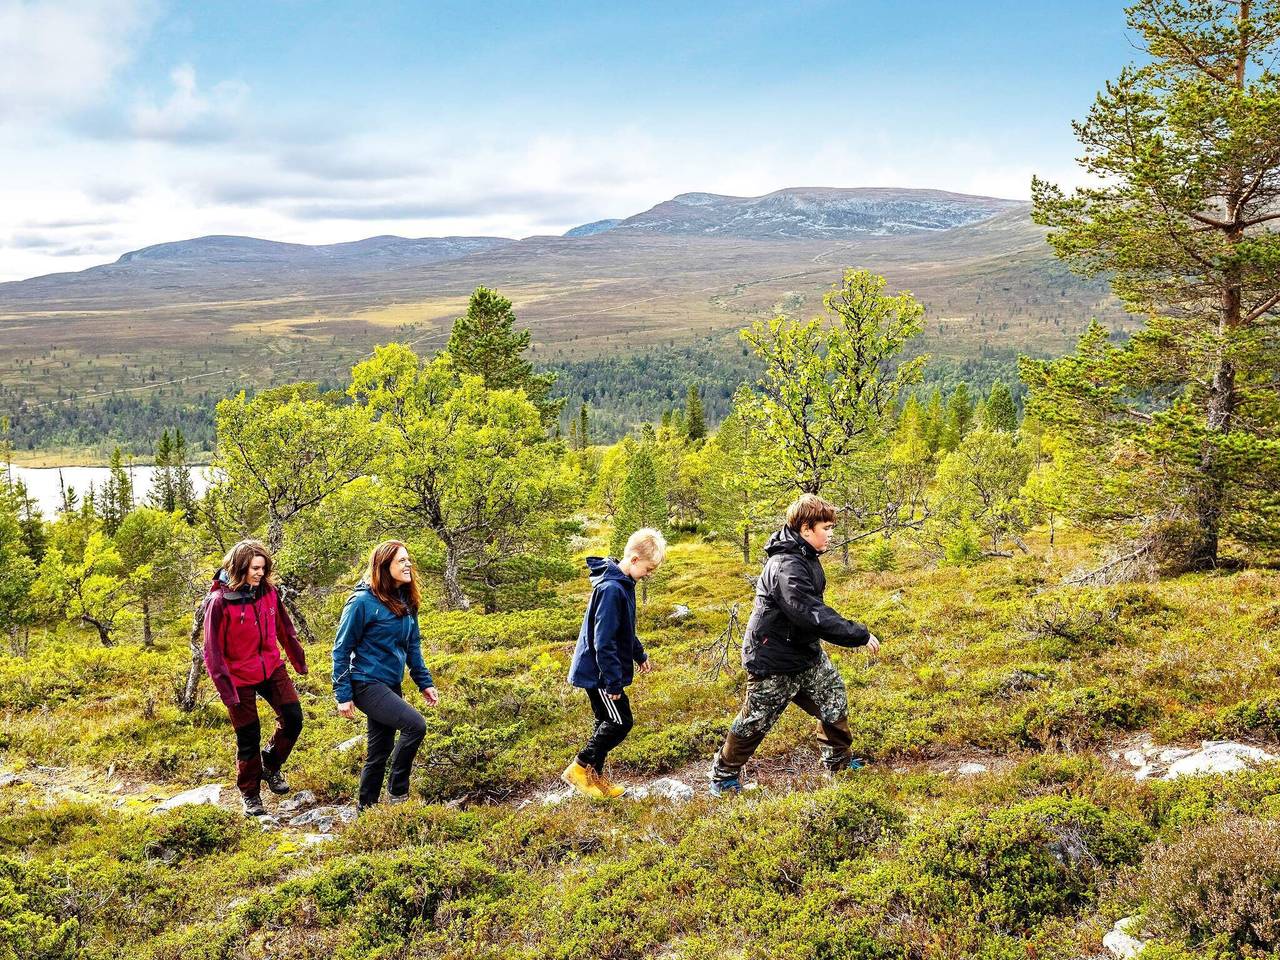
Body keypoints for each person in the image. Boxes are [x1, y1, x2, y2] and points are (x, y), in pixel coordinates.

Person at [708, 494, 881, 796]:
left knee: (834, 698)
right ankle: (722, 777)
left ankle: (838, 764)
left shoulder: (806, 555)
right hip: (772, 659)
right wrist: (858, 635)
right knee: (756, 720)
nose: (831, 533)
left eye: (831, 527)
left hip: (805, 654)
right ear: (805, 529)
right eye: (826, 527)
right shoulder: (786, 565)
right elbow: (810, 613)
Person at [203, 539, 307, 818]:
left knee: (293, 718)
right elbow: (212, 652)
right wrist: (227, 692)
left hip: (271, 667)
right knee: (248, 736)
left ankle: (270, 765)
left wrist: (297, 660)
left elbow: (285, 628)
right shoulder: (219, 602)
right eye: (255, 568)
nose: (260, 573)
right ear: (239, 568)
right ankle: (250, 793)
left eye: (263, 568)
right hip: (237, 677)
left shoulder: (268, 592)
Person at [332, 540, 439, 811]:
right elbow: (341, 649)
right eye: (400, 561)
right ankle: (398, 791)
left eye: (408, 559)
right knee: (416, 726)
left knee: (378, 752)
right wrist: (343, 694)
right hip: (366, 683)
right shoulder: (361, 602)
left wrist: (424, 682)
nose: (408, 565)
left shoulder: (406, 600)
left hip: (391, 683)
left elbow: (412, 644)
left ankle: (365, 810)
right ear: (384, 566)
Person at [561, 528, 665, 800]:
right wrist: (612, 681)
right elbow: (604, 641)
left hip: (601, 671)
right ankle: (580, 768)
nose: (649, 574)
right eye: (648, 568)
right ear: (633, 559)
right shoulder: (611, 588)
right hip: (598, 673)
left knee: (605, 721)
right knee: (620, 721)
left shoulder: (623, 585)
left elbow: (624, 630)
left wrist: (639, 654)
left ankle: (593, 779)